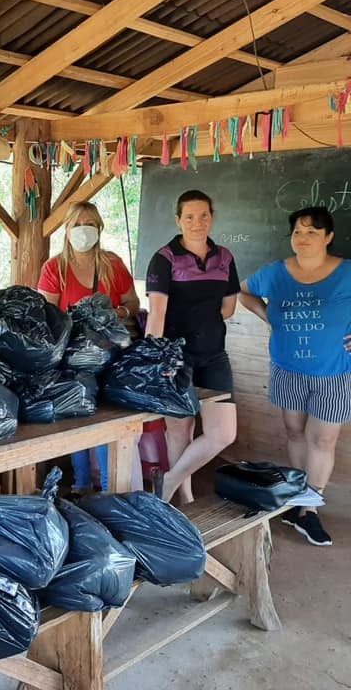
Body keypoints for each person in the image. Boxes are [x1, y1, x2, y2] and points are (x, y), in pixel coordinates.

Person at [239, 206, 351, 547]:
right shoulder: (276, 273)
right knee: (295, 433)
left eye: (312, 231)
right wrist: (268, 316)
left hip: (334, 374)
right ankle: (297, 500)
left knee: (322, 440)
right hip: (287, 369)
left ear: (328, 237)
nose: (303, 238)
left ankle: (309, 509)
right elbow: (244, 291)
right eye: (298, 231)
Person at [37, 200, 140, 493]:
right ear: (67, 230)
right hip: (73, 360)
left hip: (110, 354)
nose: (84, 230)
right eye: (77, 225)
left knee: (109, 421)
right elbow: (47, 316)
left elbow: (133, 303)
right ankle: (82, 485)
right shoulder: (54, 268)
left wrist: (117, 312)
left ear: (99, 228)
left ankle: (108, 489)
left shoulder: (113, 265)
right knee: (78, 418)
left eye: (90, 224)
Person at [145, 190, 239, 504]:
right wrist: (152, 361)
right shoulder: (164, 258)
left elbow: (229, 307)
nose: (197, 223)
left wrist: (203, 324)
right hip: (175, 356)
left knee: (223, 433)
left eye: (204, 216)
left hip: (214, 355)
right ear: (178, 220)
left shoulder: (225, 257)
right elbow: (157, 313)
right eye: (189, 217)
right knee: (179, 431)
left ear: (212, 218)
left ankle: (168, 481)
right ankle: (183, 501)